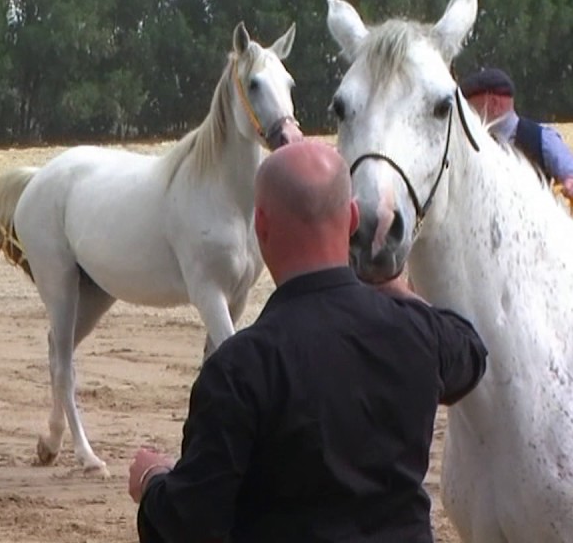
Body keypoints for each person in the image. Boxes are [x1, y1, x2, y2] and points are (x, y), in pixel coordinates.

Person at [127, 140, 488, 543]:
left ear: (260, 226)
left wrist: (153, 481)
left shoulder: (240, 367)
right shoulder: (417, 331)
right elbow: (471, 354)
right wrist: (396, 289)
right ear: (351, 218)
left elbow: (187, 524)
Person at [459, 67, 573, 209]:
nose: (465, 115)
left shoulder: (542, 139)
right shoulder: (465, 142)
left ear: (494, 104)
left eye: (470, 107)